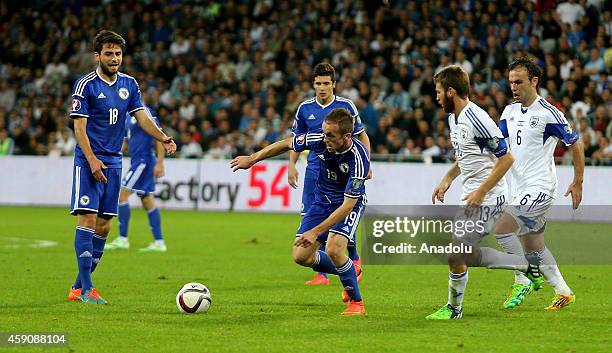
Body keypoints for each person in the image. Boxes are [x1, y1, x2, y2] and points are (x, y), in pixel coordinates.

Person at [67, 30, 176, 304]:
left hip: (115, 161)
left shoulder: (130, 84)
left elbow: (142, 116)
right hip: (89, 160)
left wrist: (162, 136)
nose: (114, 58)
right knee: (88, 220)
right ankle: (88, 290)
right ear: (98, 56)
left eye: (117, 53)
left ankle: (77, 287)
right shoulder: (86, 86)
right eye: (108, 53)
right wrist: (91, 160)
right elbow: (79, 128)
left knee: (104, 227)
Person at [427, 65, 542, 320]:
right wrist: (447, 178)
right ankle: (523, 266)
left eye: (438, 92)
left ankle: (455, 309)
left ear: (450, 91)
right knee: (460, 254)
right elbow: (467, 156)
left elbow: (506, 158)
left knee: (456, 253)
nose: (435, 97)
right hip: (471, 195)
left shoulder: (477, 119)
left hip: (489, 197)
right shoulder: (453, 118)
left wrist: (481, 191)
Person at [232, 108, 369, 315]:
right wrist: (252, 159)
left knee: (333, 248)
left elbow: (348, 206)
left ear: (347, 136)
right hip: (321, 202)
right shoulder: (319, 140)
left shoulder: (358, 159)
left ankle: (356, 303)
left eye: (330, 135)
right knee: (301, 256)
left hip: (347, 204)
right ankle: (350, 269)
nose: (325, 138)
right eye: (324, 132)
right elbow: (287, 143)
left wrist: (315, 232)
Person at [495, 57, 584, 310]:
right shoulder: (509, 111)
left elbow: (575, 143)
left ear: (534, 81)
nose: (513, 87)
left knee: (502, 228)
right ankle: (564, 292)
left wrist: (578, 180)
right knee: (534, 247)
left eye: (519, 82)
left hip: (541, 187)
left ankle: (521, 279)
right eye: (511, 82)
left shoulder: (548, 113)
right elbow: (499, 147)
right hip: (519, 187)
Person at [289, 62, 371, 286]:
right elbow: (294, 141)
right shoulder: (305, 108)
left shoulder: (346, 107)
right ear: (313, 85)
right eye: (318, 83)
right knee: (310, 217)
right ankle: (324, 273)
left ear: (334, 84)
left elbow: (362, 136)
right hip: (315, 170)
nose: (322, 87)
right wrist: (291, 165)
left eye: (326, 83)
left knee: (342, 220)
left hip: (342, 172)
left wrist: (367, 163)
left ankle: (351, 263)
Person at [105, 105, 167, 252]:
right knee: (147, 201)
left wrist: (160, 163)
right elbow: (126, 142)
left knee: (122, 195)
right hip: (137, 162)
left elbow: (159, 136)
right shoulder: (127, 117)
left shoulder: (144, 111)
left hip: (143, 162)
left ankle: (123, 239)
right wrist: (112, 157)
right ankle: (159, 242)